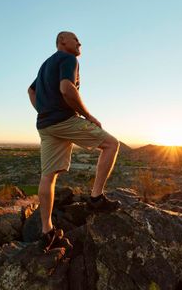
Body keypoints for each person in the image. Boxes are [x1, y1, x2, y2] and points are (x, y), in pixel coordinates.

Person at [28, 31, 121, 252]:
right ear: (62, 42)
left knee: (47, 176)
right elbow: (66, 88)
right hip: (63, 119)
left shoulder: (45, 64)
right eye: (75, 39)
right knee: (111, 144)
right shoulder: (69, 58)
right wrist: (88, 115)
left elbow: (31, 91)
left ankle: (47, 231)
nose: (80, 43)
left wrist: (44, 110)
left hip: (45, 124)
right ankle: (96, 198)